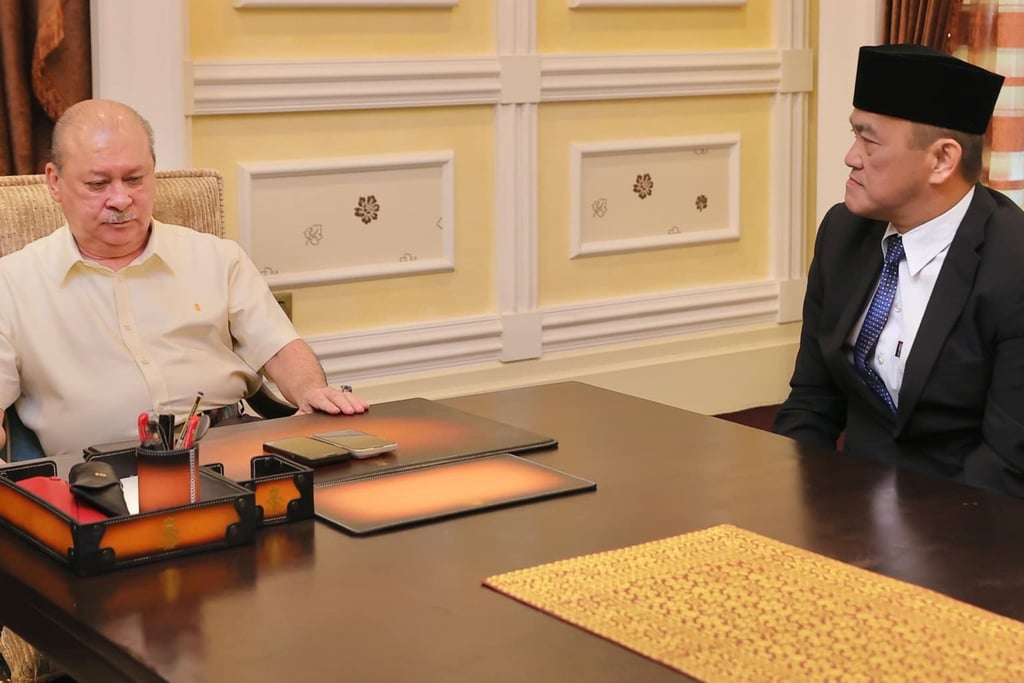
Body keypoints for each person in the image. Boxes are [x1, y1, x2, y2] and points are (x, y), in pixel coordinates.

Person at [0, 99, 368, 471]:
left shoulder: (216, 257)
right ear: (54, 182)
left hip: (233, 450)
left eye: (134, 179)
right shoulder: (12, 284)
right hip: (98, 474)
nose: (121, 199)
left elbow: (280, 346)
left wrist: (310, 390)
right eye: (98, 184)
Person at [772, 44, 1024, 498]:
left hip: (972, 530)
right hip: (850, 515)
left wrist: (918, 553)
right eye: (854, 136)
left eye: (869, 141)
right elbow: (812, 402)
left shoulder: (1014, 263)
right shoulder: (843, 233)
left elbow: (1007, 461)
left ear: (942, 160)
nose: (851, 157)